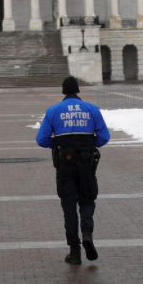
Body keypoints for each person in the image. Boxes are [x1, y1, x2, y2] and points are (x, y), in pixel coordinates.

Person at [36, 76, 110, 265]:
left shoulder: (53, 111)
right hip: (86, 164)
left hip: (64, 164)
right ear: (78, 91)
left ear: (63, 92)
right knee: (87, 199)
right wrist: (87, 144)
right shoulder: (92, 109)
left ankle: (74, 251)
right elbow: (104, 137)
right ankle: (87, 233)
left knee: (68, 206)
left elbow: (41, 139)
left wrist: (59, 144)